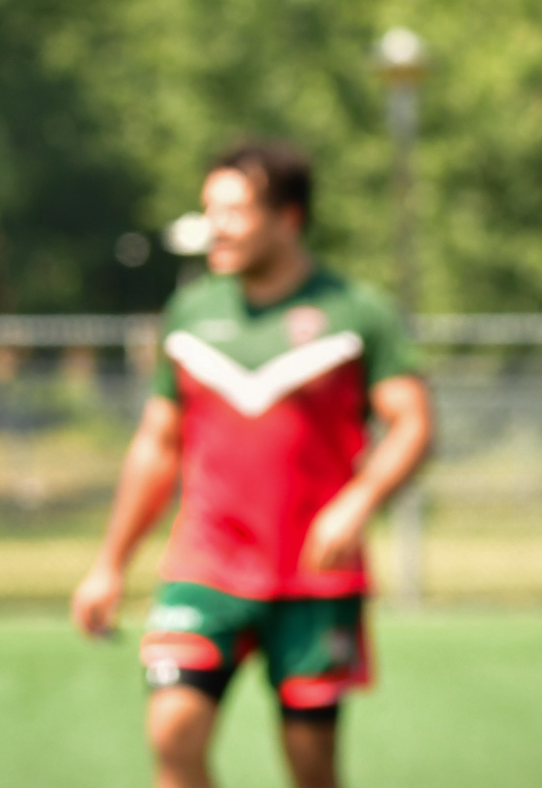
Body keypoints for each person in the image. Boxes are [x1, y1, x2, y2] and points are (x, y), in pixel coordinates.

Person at [70, 140, 432, 788]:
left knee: (311, 767)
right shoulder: (190, 313)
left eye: (234, 212)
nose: (216, 226)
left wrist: (357, 502)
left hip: (314, 579)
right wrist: (109, 564)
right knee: (173, 732)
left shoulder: (357, 312)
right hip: (204, 566)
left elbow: (412, 424)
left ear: (288, 218)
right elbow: (157, 445)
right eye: (210, 210)